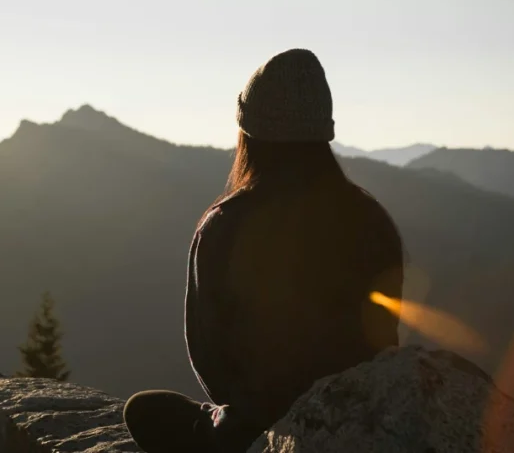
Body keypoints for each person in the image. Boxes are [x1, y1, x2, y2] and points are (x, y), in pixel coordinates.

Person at [122, 48, 404, 453]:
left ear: (249, 133)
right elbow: (383, 338)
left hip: (259, 430)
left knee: (146, 410)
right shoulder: (371, 219)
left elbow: (210, 357)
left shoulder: (225, 225)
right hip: (361, 420)